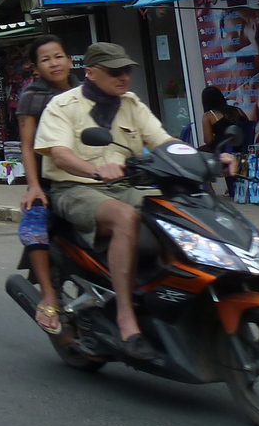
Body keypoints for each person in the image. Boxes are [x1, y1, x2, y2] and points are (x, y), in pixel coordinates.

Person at [35, 41, 235, 361]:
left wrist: (208, 159)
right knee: (125, 217)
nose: (123, 77)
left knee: (183, 211)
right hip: (76, 188)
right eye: (114, 71)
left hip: (126, 185)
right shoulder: (62, 104)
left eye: (126, 70)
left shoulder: (131, 103)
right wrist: (95, 169)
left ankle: (178, 293)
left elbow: (164, 141)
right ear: (90, 72)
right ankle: (126, 318)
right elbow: (59, 154)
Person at [15, 35, 75, 335]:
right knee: (33, 225)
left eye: (59, 56)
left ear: (70, 59)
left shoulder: (87, 91)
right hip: (50, 179)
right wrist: (34, 186)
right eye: (46, 59)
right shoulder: (32, 97)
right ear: (36, 67)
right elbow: (27, 146)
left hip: (90, 175)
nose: (54, 63)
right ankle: (49, 294)